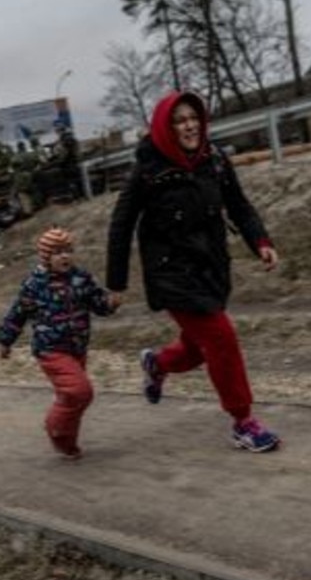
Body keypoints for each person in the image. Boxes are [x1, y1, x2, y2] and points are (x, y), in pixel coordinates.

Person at [106, 90, 282, 453]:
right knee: (220, 338)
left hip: (211, 266)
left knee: (201, 347)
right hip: (171, 273)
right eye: (180, 120)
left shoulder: (214, 159)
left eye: (193, 118)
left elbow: (238, 205)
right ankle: (243, 422)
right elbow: (120, 225)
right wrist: (117, 282)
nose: (189, 126)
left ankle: (157, 363)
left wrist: (260, 241)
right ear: (165, 127)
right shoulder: (148, 169)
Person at [0, 226, 120, 460]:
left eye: (68, 250)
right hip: (50, 350)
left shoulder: (81, 278)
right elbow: (17, 313)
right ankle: (54, 425)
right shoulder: (34, 284)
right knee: (80, 392)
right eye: (57, 252)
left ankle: (66, 443)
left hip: (77, 348)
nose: (65, 256)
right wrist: (5, 340)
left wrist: (110, 303)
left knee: (72, 398)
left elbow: (98, 304)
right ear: (46, 257)